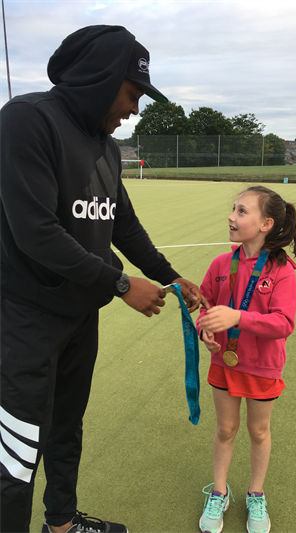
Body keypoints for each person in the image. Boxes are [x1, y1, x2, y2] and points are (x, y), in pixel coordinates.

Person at [0, 25, 207, 533]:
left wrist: (171, 276)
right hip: (25, 319)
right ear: (100, 78)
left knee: (67, 431)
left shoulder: (108, 148)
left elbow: (123, 226)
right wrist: (120, 285)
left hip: (78, 317)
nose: (135, 108)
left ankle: (62, 525)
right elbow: (36, 232)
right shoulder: (27, 120)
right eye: (133, 93)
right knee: (17, 448)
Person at [196, 186, 296, 533]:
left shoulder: (282, 270)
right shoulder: (221, 264)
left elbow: (283, 323)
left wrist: (237, 319)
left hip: (262, 367)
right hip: (223, 364)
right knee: (225, 429)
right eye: (233, 209)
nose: (232, 216)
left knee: (258, 431)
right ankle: (220, 492)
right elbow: (206, 308)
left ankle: (255, 493)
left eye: (242, 211)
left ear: (266, 224)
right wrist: (206, 330)